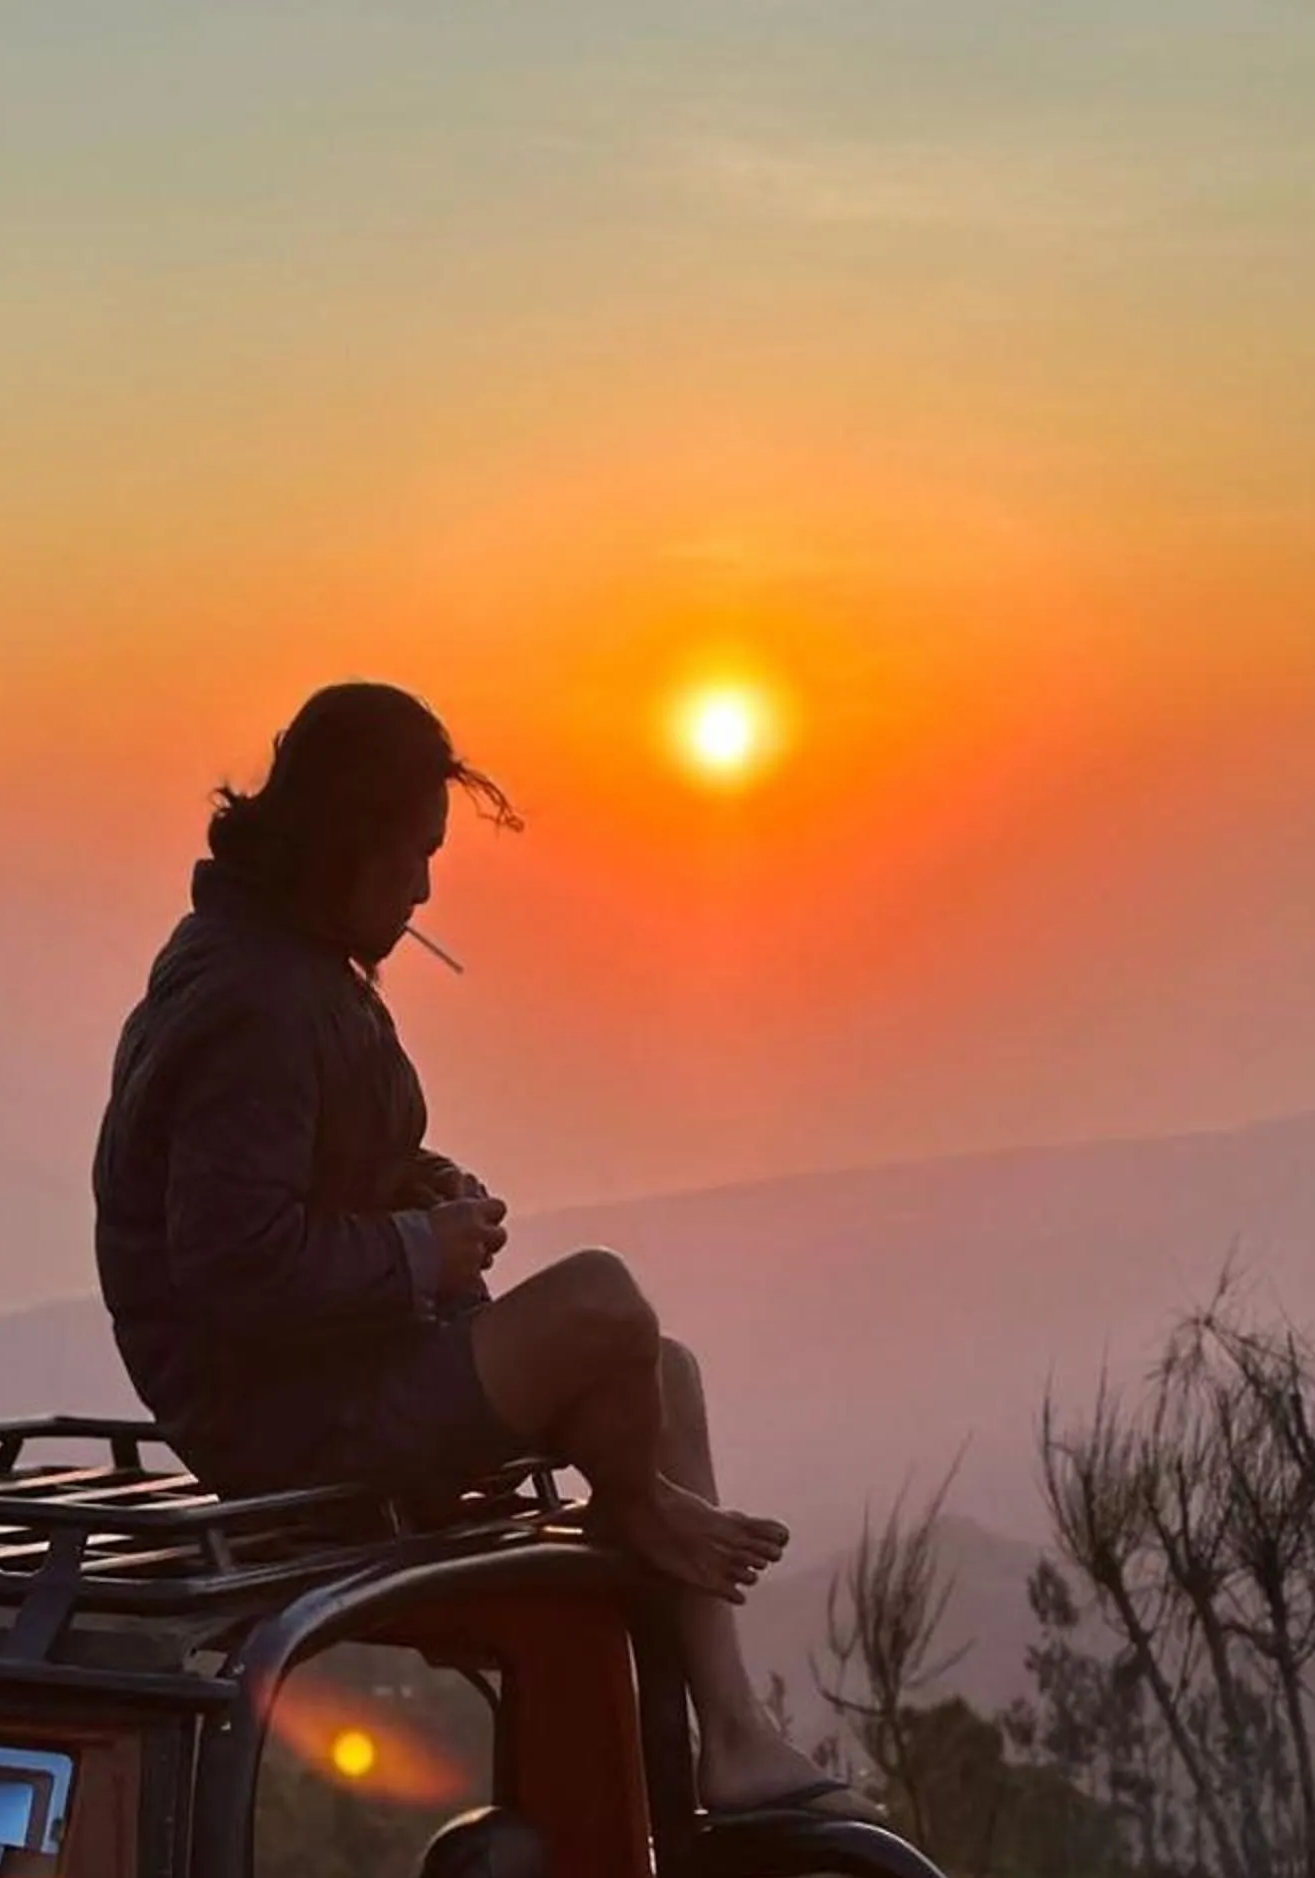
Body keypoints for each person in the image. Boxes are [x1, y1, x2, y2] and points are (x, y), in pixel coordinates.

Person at [94, 680, 870, 1819]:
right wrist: (419, 1252)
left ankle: (734, 1734)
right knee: (604, 1303)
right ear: (346, 845)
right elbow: (232, 1262)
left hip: (330, 1371)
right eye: (412, 854)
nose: (421, 887)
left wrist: (424, 1192)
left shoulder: (285, 966)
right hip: (287, 1420)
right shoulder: (257, 1000)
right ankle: (636, 1508)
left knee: (662, 1371)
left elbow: (309, 1167)